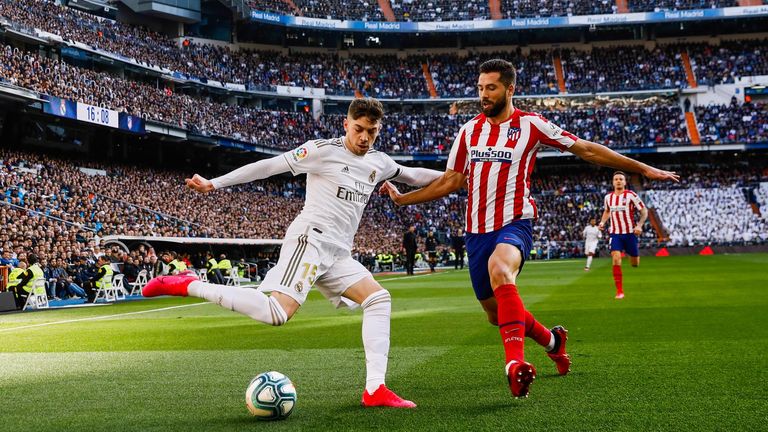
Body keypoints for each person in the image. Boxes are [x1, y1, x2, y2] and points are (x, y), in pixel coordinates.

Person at [380, 59, 679, 398]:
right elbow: (451, 181)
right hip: (476, 231)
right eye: (480, 88)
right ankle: (553, 341)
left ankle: (515, 365)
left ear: (510, 89)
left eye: (491, 87)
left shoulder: (532, 125)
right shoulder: (468, 131)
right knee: (497, 315)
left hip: (515, 220)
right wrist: (404, 200)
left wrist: (642, 168)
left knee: (501, 268)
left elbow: (587, 150)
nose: (484, 95)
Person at [142, 98, 443, 408]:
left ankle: (375, 389)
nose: (364, 137)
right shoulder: (321, 151)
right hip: (310, 241)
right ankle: (187, 284)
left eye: (372, 131)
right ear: (346, 125)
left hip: (338, 253)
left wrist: (457, 175)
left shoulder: (378, 162)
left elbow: (411, 174)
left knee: (378, 299)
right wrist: (214, 183)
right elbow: (268, 167)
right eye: (359, 129)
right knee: (277, 314)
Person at [598, 171, 648, 299]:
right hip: (615, 234)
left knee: (635, 263)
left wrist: (639, 225)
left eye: (621, 179)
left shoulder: (631, 195)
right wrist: (602, 222)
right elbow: (607, 211)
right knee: (615, 258)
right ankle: (619, 291)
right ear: (613, 182)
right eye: (616, 179)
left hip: (630, 234)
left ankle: (631, 255)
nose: (618, 181)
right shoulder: (608, 197)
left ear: (625, 182)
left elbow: (644, 211)